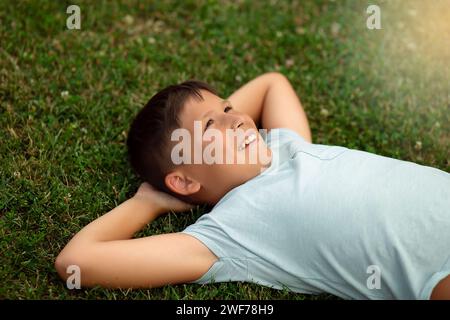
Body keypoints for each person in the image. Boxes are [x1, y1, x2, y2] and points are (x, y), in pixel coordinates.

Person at [55, 72, 450, 299]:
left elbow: (271, 84)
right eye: (211, 126)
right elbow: (76, 262)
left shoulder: (284, 142)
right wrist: (148, 201)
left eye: (228, 107)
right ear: (184, 180)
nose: (238, 119)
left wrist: (209, 131)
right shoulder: (229, 234)